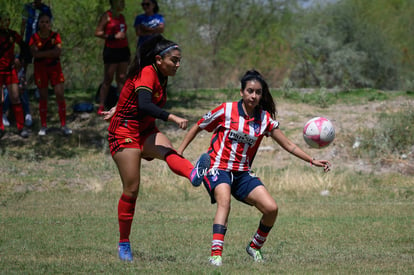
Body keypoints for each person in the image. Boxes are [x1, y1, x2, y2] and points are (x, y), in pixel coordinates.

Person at [177, 69, 331, 267]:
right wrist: (179, 151)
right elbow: (198, 126)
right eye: (250, 91)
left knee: (271, 209)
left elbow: (288, 145)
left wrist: (312, 160)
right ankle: (216, 255)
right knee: (224, 202)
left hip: (242, 172)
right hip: (217, 166)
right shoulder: (226, 110)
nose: (254, 96)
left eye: (258, 92)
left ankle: (255, 247)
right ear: (241, 92)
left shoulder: (264, 119)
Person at [107, 34, 210, 262]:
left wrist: (118, 105)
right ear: (158, 59)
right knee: (132, 189)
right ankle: (124, 243)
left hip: (145, 129)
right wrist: (171, 116)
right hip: (123, 132)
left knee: (168, 151)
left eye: (179, 60)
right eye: (174, 60)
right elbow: (144, 103)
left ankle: (194, 174)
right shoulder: (148, 72)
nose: (178, 64)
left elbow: (134, 95)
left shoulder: (161, 75)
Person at [29, 13, 72, 136]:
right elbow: (35, 54)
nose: (44, 24)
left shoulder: (55, 36)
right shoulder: (34, 37)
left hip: (55, 68)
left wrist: (43, 53)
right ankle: (43, 126)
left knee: (60, 95)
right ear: (38, 23)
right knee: (43, 97)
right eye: (42, 21)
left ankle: (63, 125)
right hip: (40, 69)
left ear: (50, 24)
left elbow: (58, 52)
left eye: (47, 22)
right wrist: (50, 53)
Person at [18, 0, 53, 126]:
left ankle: (40, 88)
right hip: (28, 41)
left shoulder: (46, 9)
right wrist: (21, 40)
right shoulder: (27, 7)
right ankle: (21, 85)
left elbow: (49, 25)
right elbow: (23, 23)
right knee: (24, 65)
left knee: (40, 66)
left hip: (41, 41)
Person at [95, 0, 130, 115]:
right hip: (111, 50)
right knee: (108, 79)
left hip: (123, 50)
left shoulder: (122, 17)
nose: (123, 4)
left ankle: (123, 105)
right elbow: (98, 32)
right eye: (121, 1)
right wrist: (113, 36)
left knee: (121, 78)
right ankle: (101, 106)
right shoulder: (107, 16)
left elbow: (124, 34)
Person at [0, 11, 30, 138]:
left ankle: (20, 127)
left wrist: (20, 60)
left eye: (8, 20)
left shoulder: (13, 34)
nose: (6, 22)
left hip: (10, 70)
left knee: (15, 98)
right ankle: (0, 128)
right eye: (3, 20)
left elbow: (24, 47)